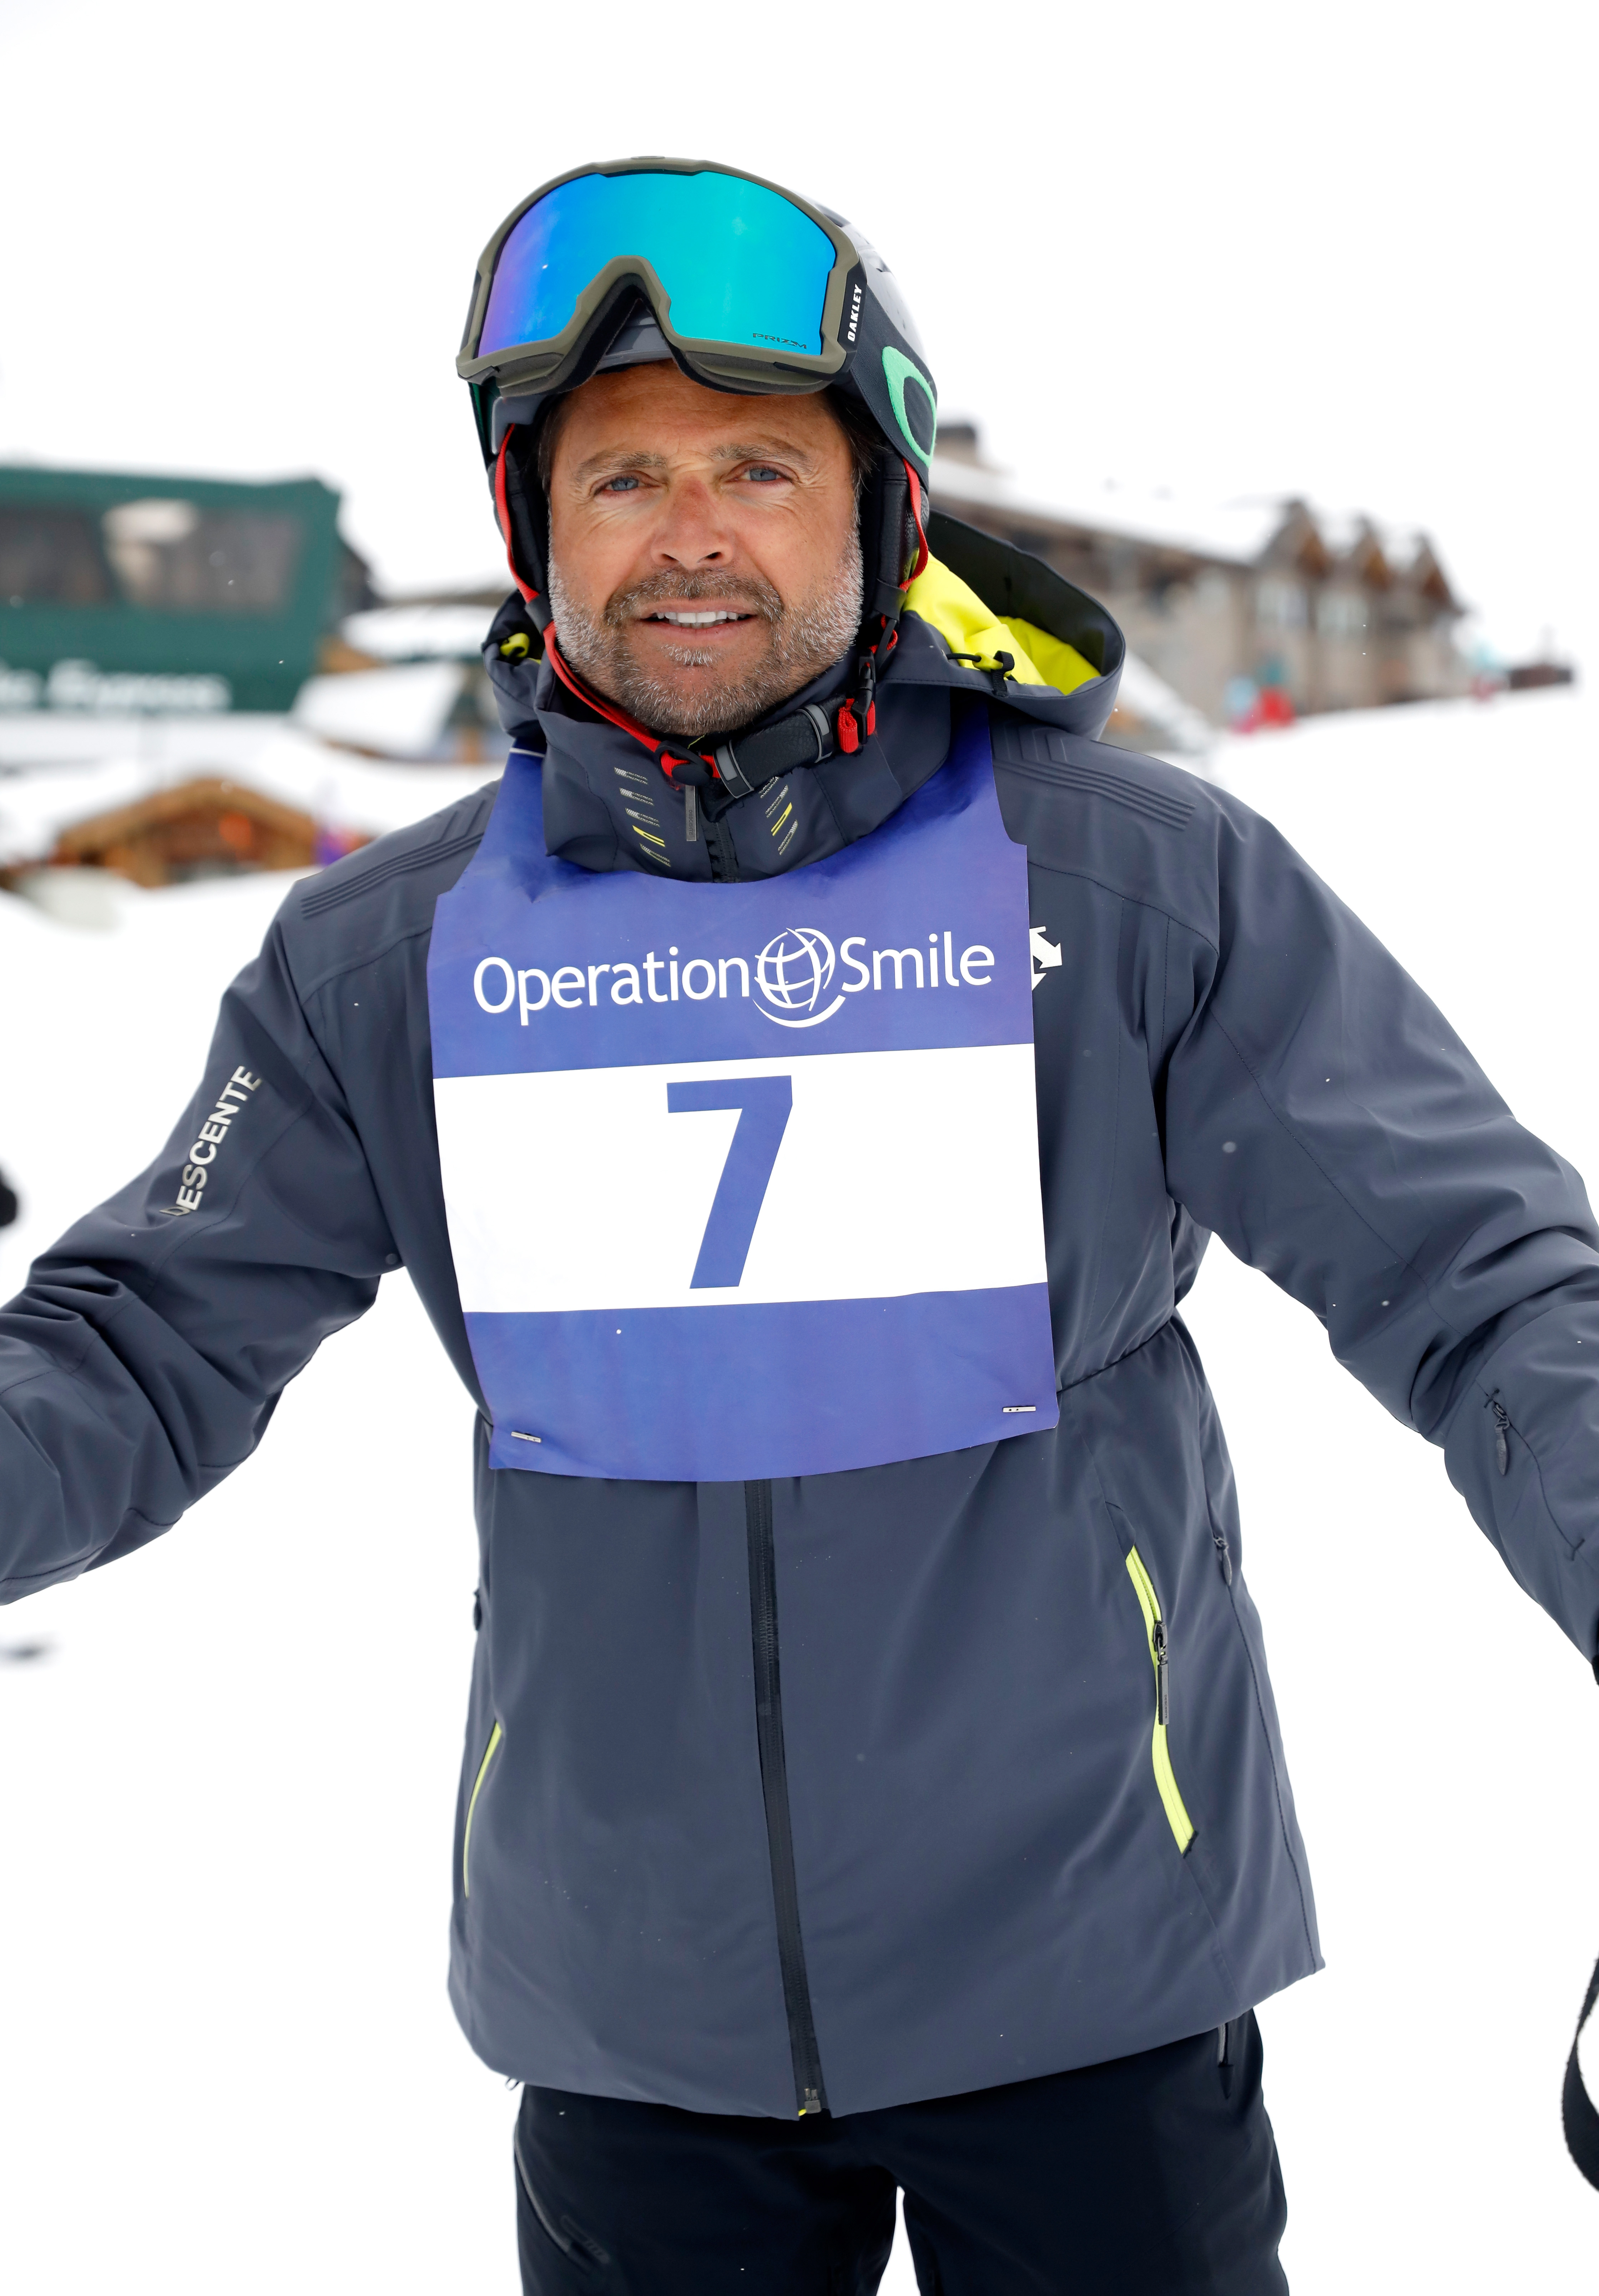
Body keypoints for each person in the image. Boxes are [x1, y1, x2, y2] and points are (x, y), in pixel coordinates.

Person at [3, 159, 1597, 2294]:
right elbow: (133, 1344)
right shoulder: (390, 958)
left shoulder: (1135, 888)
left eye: (758, 464)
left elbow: (1490, 1291)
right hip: (635, 2029)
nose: (688, 531)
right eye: (620, 477)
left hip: (1096, 1984)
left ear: (886, 507)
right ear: (530, 532)